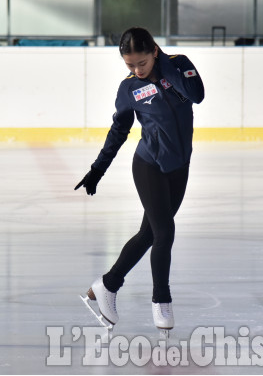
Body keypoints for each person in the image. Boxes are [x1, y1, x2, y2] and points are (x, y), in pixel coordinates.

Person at [75, 27, 204, 333]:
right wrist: (98, 169)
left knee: (149, 234)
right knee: (164, 233)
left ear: (154, 52)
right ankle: (161, 299)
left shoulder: (179, 64)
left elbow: (196, 95)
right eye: (129, 65)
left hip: (180, 166)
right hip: (149, 165)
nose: (136, 70)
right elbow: (119, 131)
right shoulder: (129, 88)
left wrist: (164, 71)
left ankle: (107, 285)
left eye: (141, 64)